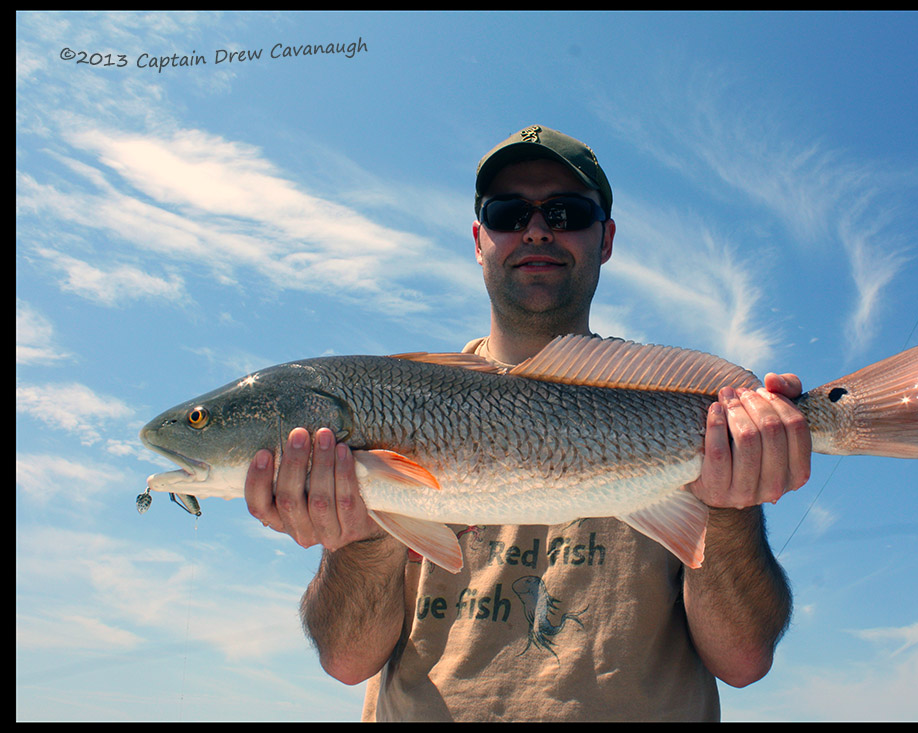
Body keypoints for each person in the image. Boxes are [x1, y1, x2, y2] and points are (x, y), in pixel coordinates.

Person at [244, 125, 812, 721]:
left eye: (566, 212)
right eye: (509, 212)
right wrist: (357, 540)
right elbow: (345, 659)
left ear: (606, 238)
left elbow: (744, 660)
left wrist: (731, 506)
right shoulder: (392, 409)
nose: (537, 230)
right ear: (478, 239)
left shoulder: (686, 415)